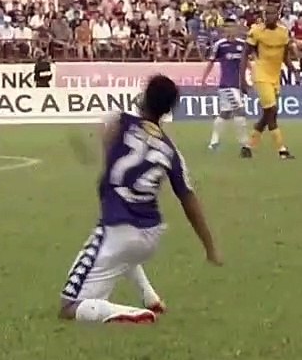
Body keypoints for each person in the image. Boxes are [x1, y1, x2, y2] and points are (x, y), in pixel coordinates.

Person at [59, 75, 221, 324]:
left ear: (144, 97)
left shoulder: (121, 121)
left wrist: (107, 162)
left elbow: (105, 130)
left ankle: (129, 314)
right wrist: (210, 247)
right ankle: (150, 298)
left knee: (69, 306)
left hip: (118, 230)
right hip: (150, 234)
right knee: (126, 256)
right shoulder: (171, 150)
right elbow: (188, 198)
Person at [241, 4, 296, 160]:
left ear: (277, 16)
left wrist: (294, 71)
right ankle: (282, 150)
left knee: (267, 114)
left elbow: (285, 56)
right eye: (267, 14)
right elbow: (245, 55)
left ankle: (248, 146)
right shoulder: (256, 31)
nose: (270, 17)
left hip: (275, 77)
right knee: (272, 112)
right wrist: (242, 80)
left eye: (273, 14)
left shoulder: (283, 32)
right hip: (261, 75)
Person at [200, 17, 250, 152]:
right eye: (227, 27)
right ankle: (244, 144)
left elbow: (246, 63)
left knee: (225, 113)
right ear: (224, 30)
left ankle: (214, 143)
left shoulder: (242, 44)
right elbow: (210, 62)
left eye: (232, 27)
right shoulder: (220, 45)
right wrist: (204, 79)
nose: (230, 30)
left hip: (237, 84)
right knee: (240, 110)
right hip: (227, 84)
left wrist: (251, 76)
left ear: (237, 29)